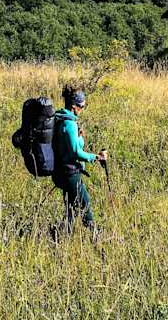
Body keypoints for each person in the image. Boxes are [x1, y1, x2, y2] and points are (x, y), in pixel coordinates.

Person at [51, 84, 106, 232]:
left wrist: (80, 138)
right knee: (85, 204)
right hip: (70, 173)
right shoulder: (69, 124)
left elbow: (72, 146)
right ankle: (96, 236)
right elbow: (76, 153)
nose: (82, 109)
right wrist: (96, 157)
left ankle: (60, 235)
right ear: (74, 106)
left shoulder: (60, 119)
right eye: (82, 106)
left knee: (71, 208)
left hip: (61, 170)